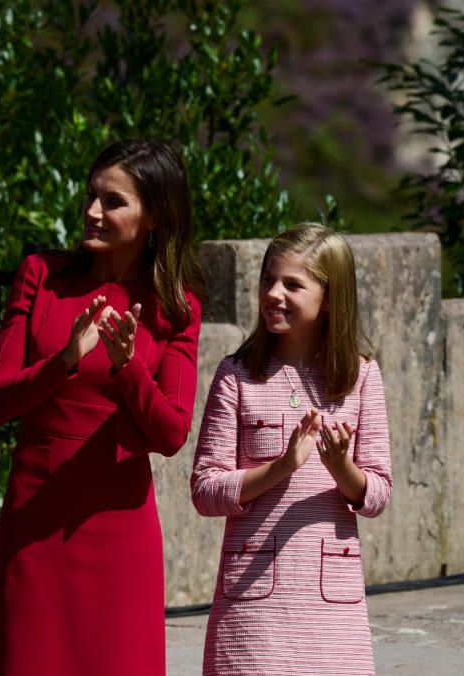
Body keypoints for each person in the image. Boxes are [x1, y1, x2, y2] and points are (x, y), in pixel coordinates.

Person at [0, 139, 204, 675]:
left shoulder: (176, 306)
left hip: (118, 532)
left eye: (112, 201)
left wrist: (126, 366)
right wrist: (64, 361)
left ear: (154, 217)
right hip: (34, 524)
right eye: (90, 195)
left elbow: (171, 434)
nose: (91, 211)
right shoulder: (41, 275)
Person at [190, 223, 393, 674]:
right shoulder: (236, 374)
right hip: (252, 609)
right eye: (268, 279)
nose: (273, 293)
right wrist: (282, 466)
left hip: (332, 608)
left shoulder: (361, 377)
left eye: (292, 284)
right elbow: (205, 490)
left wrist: (343, 469)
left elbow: (378, 493)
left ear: (329, 298)